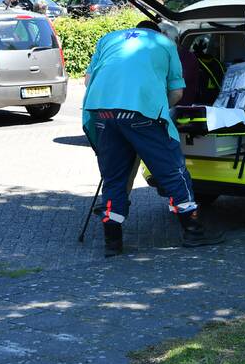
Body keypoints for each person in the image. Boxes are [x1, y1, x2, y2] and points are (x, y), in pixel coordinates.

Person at [82, 19, 224, 257]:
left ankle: (113, 242)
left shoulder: (108, 39)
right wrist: (157, 106)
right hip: (142, 114)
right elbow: (177, 92)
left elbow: (88, 81)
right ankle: (193, 231)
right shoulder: (164, 43)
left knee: (114, 177)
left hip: (102, 113)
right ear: (157, 32)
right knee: (173, 171)